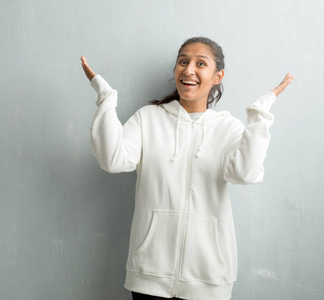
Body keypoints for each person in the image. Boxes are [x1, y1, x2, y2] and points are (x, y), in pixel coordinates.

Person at [80, 36, 294, 300]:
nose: (188, 69)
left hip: (209, 278)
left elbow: (244, 173)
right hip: (149, 275)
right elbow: (112, 159)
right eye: (183, 61)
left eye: (200, 63)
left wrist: (259, 113)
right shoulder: (149, 119)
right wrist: (106, 97)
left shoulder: (227, 128)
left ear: (218, 76)